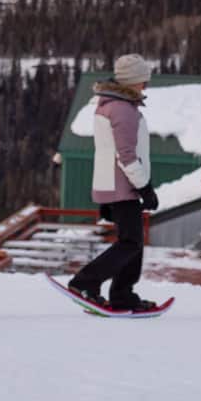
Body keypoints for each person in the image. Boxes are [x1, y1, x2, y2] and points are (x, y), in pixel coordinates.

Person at [66, 52, 162, 313]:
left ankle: (122, 294)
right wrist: (145, 188)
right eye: (143, 81)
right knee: (130, 242)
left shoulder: (109, 105)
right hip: (124, 186)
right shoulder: (122, 110)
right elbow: (126, 156)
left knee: (133, 241)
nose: (146, 86)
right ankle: (85, 282)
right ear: (132, 82)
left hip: (114, 185)